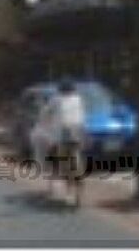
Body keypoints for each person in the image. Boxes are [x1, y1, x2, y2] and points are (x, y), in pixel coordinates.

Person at [50, 78, 86, 207]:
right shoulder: (78, 99)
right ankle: (77, 194)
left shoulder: (56, 100)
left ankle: (71, 193)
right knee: (76, 165)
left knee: (67, 166)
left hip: (65, 136)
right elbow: (81, 118)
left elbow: (47, 113)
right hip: (75, 134)